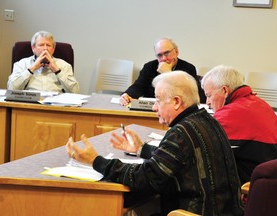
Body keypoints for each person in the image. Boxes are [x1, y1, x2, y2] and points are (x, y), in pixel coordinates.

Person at [66, 71, 244, 216]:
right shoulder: (206, 120)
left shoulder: (180, 132)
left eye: (158, 100)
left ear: (176, 102)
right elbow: (179, 158)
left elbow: (146, 178)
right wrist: (142, 149)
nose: (154, 107)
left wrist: (96, 161)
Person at [201, 65, 277, 184]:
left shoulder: (230, 113)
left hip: (246, 185)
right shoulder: (258, 103)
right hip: (267, 179)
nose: (207, 102)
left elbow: (198, 144)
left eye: (209, 95)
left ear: (225, 91)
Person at [120, 37, 205, 105]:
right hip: (153, 109)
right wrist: (127, 95)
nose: (164, 58)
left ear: (176, 51)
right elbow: (138, 87)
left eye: (167, 53)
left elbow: (193, 96)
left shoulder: (188, 68)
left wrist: (168, 74)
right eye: (160, 55)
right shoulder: (149, 67)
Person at [7, 31, 80, 93]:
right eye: (41, 45)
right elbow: (11, 89)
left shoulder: (64, 65)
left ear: (53, 49)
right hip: (29, 104)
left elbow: (75, 91)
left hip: (55, 105)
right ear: (33, 48)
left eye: (48, 45)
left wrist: (57, 70)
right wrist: (32, 68)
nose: (45, 48)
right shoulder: (22, 64)